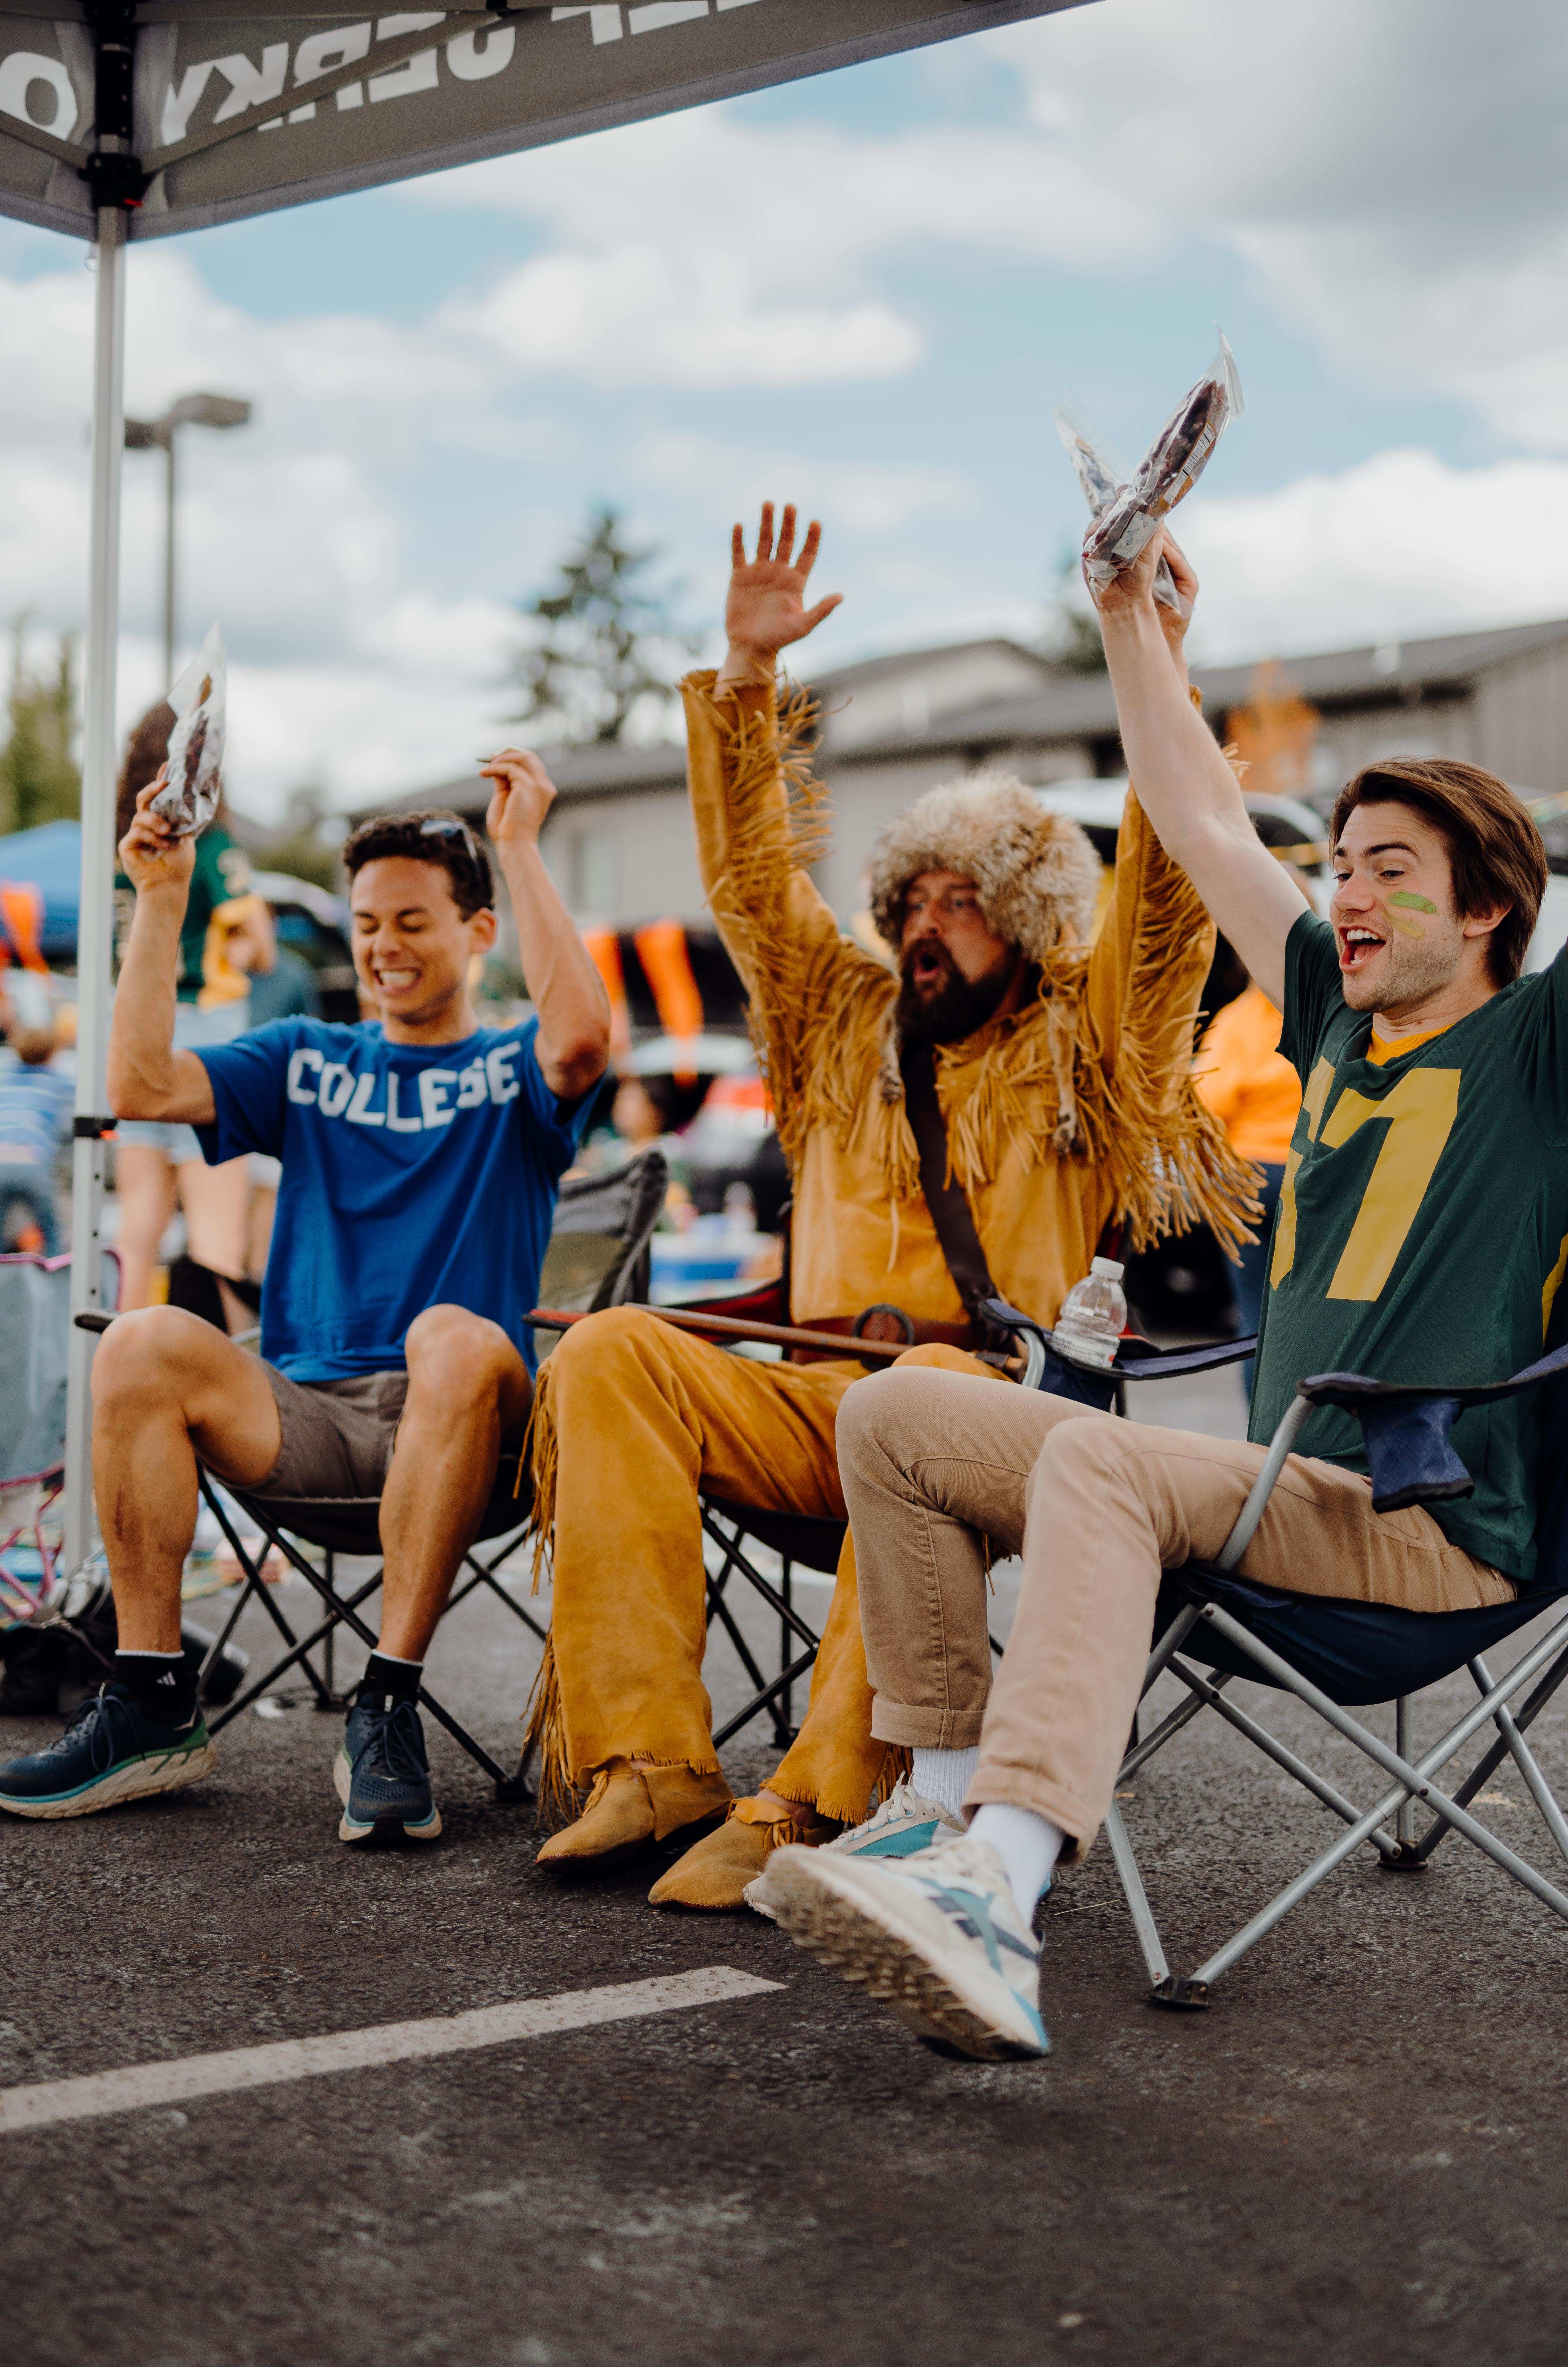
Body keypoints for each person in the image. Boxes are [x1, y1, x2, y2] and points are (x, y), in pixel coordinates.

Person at [759, 524, 1563, 2062]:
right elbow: (1195, 814)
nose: (1347, 892)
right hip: (1277, 1491)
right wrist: (1127, 616)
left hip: (1427, 1532)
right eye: (1338, 866)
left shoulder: (1535, 1047)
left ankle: (1005, 1880)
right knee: (899, 1413)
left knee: (1099, 1453)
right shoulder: (1332, 1015)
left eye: (1389, 870)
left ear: (1485, 911)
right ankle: (937, 1820)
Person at [523, 502, 1254, 1896]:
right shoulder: (837, 1021)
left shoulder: (1089, 1043)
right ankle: (648, 1766)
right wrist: (746, 678)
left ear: (1030, 914)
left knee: (915, 1386)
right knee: (615, 1350)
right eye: (910, 896)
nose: (925, 922)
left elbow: (1167, 904)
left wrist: (1152, 656)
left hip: (988, 1415)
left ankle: (816, 1801)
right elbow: (749, 884)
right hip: (809, 1389)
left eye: (962, 898)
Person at [0, 758, 610, 1841]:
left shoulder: (516, 1065)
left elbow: (582, 1043)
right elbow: (138, 1082)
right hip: (310, 1424)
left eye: (414, 921)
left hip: (477, 1431)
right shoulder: (309, 1057)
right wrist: (162, 894)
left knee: (452, 1334)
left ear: (477, 931)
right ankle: (150, 1696)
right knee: (140, 1338)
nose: (383, 946)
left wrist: (517, 848)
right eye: (369, 923)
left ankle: (388, 1699)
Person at [111, 703, 276, 1329]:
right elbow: (260, 944)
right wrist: (236, 948)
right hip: (204, 1034)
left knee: (137, 1233)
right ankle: (226, 1397)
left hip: (132, 1031)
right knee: (216, 1243)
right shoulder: (208, 839)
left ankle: (114, 1381)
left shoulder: (121, 839)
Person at [1195, 964, 1303, 1389]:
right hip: (1308, 1175)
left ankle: (1262, 1441)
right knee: (1309, 1311)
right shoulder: (1326, 1013)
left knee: (1254, 1318)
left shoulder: (1239, 1020)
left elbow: (1207, 1103)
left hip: (1246, 1178)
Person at [0, 980, 73, 1252]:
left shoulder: (4, 1079)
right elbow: (67, 1126)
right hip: (34, 1161)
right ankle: (55, 1278)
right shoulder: (58, 1082)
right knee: (51, 1231)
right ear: (53, 1052)